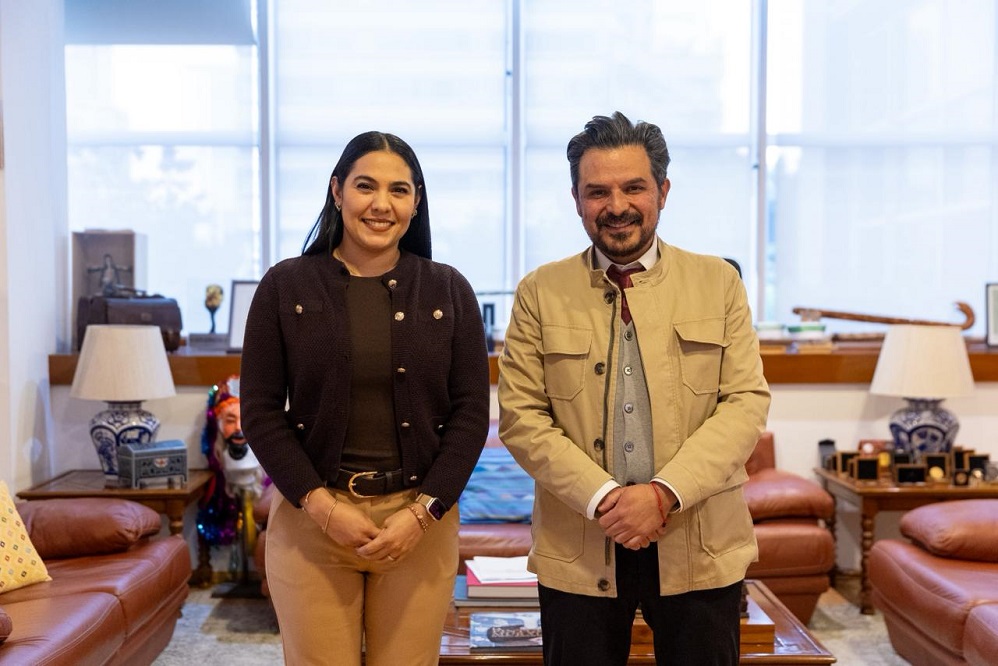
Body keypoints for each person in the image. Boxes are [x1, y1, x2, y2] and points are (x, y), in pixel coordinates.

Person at [497, 112, 771, 666]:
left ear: (663, 192)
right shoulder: (538, 292)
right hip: (580, 542)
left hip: (698, 538)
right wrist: (606, 499)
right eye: (597, 191)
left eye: (634, 187)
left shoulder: (719, 282)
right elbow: (522, 418)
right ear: (576, 199)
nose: (616, 205)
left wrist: (662, 494)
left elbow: (744, 403)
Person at [240, 131, 490, 666]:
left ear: (416, 202)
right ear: (337, 191)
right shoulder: (284, 287)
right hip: (312, 523)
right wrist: (324, 508)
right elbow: (260, 413)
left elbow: (471, 414)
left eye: (399, 190)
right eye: (365, 186)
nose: (381, 204)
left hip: (418, 526)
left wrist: (422, 513)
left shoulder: (449, 290)